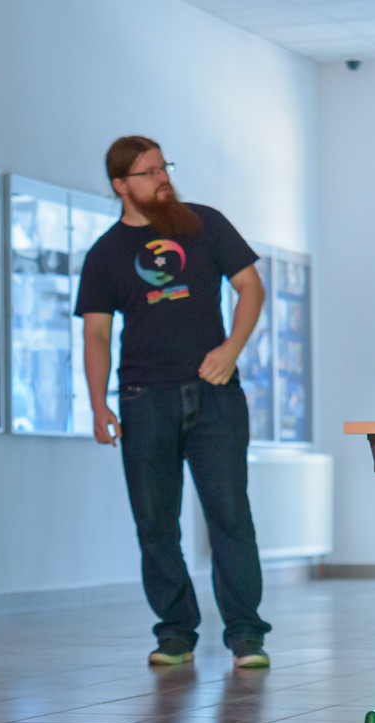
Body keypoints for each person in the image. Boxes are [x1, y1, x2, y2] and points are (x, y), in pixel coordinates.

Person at [74, 135, 272, 670]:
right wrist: (98, 405)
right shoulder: (105, 253)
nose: (162, 178)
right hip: (143, 400)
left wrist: (231, 349)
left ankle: (246, 634)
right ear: (120, 184)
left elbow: (251, 287)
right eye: (149, 172)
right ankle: (176, 632)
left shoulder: (205, 224)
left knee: (230, 516)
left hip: (214, 396)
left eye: (165, 168)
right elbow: (96, 334)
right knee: (156, 524)